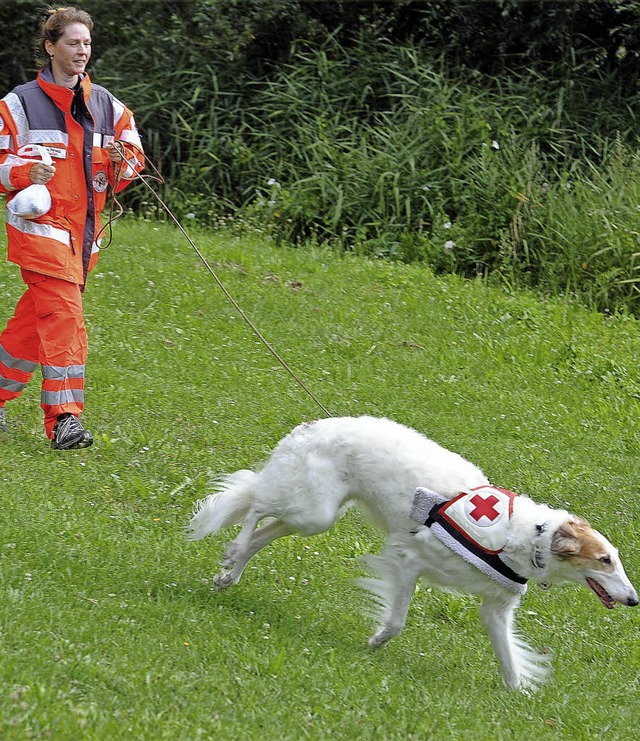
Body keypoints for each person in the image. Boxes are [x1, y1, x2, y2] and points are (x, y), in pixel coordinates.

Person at [0, 6, 144, 449]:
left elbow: (132, 162)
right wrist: (25, 174)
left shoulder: (108, 106)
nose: (82, 51)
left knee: (34, 320)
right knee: (64, 316)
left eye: (86, 43)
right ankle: (64, 418)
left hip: (85, 239)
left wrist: (124, 163)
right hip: (40, 234)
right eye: (72, 43)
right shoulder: (18, 104)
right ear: (50, 47)